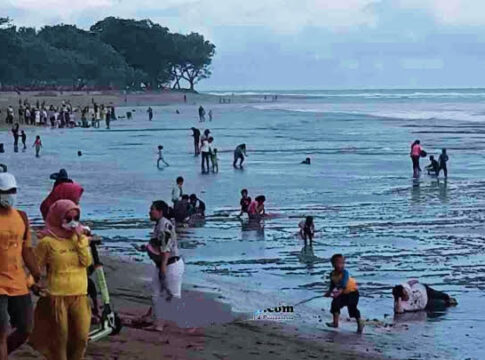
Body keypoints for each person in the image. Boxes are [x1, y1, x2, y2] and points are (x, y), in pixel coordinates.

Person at [30, 200, 92, 360]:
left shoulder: (80, 239)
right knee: (60, 338)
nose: (72, 223)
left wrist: (80, 241)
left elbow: (86, 262)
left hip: (80, 294)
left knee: (81, 337)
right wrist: (32, 284)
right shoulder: (47, 242)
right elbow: (34, 267)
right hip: (57, 296)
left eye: (75, 218)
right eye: (68, 218)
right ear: (58, 218)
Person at [0, 168, 41, 359]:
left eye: (13, 191)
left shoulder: (22, 217)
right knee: (0, 331)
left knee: (25, 328)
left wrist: (37, 274)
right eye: (6, 192)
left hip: (17, 282)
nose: (10, 196)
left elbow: (26, 249)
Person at [141, 201, 184, 331]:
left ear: (160, 212)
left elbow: (166, 250)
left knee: (171, 295)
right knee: (157, 294)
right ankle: (154, 319)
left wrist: (163, 269)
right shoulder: (159, 225)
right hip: (163, 264)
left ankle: (161, 323)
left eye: (152, 209)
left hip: (171, 264)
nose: (150, 211)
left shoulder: (164, 225)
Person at [324, 254, 364, 333]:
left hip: (352, 293)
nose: (340, 265)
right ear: (333, 264)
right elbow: (333, 284)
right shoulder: (332, 274)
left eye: (342, 263)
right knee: (335, 304)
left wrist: (339, 292)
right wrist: (329, 292)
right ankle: (335, 323)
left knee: (352, 309)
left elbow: (343, 284)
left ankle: (360, 323)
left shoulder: (345, 273)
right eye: (338, 263)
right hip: (342, 294)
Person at [393, 279, 458, 314]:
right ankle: (449, 303)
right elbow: (399, 312)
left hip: (424, 290)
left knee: (441, 295)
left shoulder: (404, 287)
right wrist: (399, 299)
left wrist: (414, 283)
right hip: (426, 303)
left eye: (406, 291)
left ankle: (448, 297)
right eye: (405, 294)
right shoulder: (401, 305)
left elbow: (412, 282)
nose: (407, 293)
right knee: (442, 303)